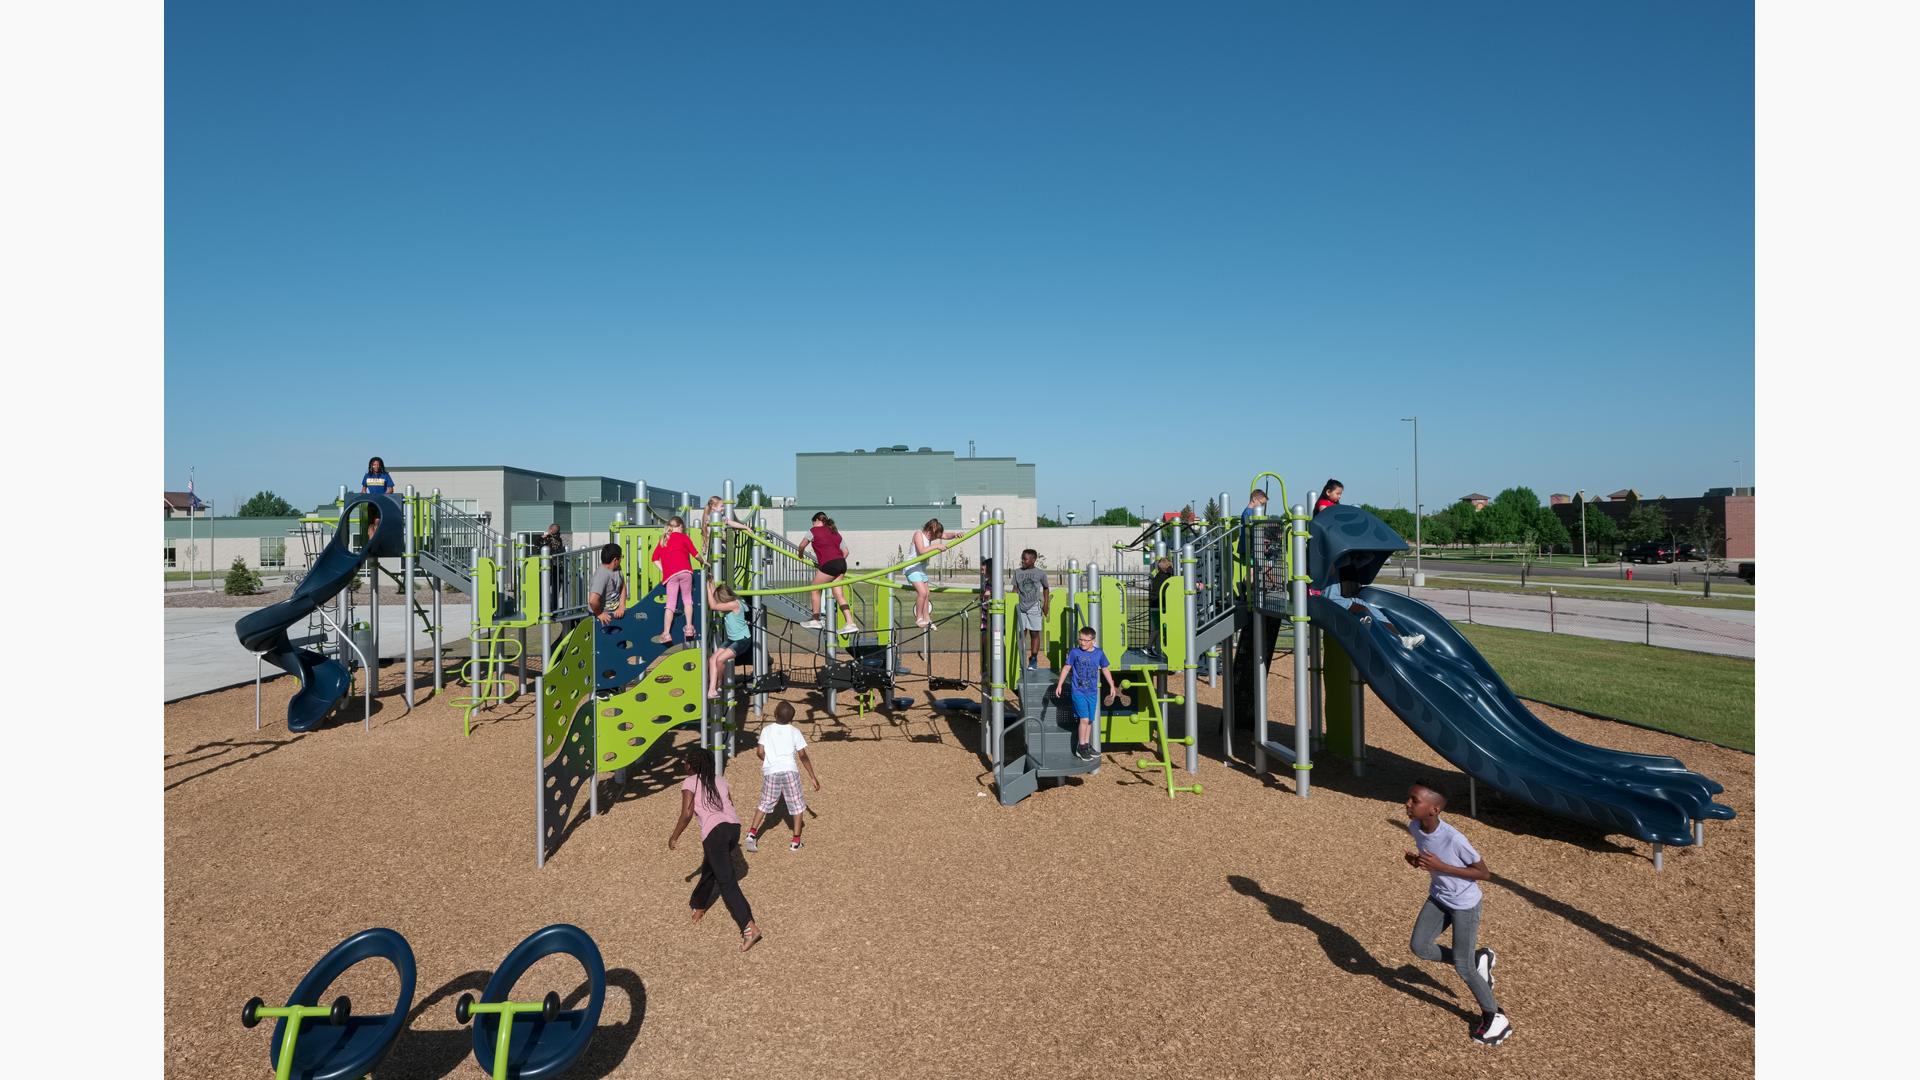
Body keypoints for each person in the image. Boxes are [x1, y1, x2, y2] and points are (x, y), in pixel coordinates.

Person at [1403, 783, 1508, 1045]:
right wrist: (1419, 862)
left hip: (1464, 905)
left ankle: (1495, 1017)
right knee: (1420, 947)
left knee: (1463, 967)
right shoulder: (1415, 827)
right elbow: (1432, 859)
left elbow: (1483, 873)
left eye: (1414, 801)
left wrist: (1442, 866)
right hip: (1439, 897)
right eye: (1409, 799)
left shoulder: (1454, 838)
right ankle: (1477, 958)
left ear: (1434, 809)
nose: (1407, 804)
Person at [668, 749, 763, 952]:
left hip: (715, 832)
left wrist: (674, 836)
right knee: (710, 867)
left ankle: (749, 927)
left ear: (690, 766)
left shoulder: (690, 781)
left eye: (685, 762)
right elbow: (730, 803)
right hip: (733, 827)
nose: (683, 765)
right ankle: (699, 905)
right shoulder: (720, 779)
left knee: (726, 882)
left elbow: (686, 813)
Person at [743, 701, 822, 853]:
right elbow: (803, 755)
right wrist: (812, 776)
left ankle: (752, 833)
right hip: (790, 770)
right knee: (797, 805)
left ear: (775, 714)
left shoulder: (766, 730)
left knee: (765, 802)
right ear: (792, 718)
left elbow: (759, 752)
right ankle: (795, 842)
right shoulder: (795, 732)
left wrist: (769, 760)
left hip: (771, 771)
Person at [1052, 626, 1119, 760]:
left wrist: (1112, 685)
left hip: (1092, 692)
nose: (1082, 643)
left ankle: (1087, 745)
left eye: (1086, 640)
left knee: (1090, 720)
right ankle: (1080, 747)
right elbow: (1066, 668)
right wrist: (1059, 685)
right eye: (1080, 639)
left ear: (1093, 641)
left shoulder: (1099, 653)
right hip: (1078, 692)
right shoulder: (1075, 653)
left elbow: (1105, 669)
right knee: (1083, 719)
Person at [1321, 566, 1425, 650]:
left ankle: (1401, 640)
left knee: (1377, 613)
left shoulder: (1346, 558)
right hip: (1332, 600)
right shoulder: (1329, 555)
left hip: (1347, 597)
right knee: (1363, 610)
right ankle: (1365, 629)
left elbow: (1365, 560)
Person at [795, 512, 857, 633]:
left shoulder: (813, 530)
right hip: (841, 564)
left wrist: (800, 555)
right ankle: (850, 623)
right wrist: (836, 562)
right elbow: (846, 552)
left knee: (814, 589)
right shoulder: (835, 532)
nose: (812, 524)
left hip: (830, 564)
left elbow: (801, 545)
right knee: (839, 595)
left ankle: (816, 619)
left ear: (817, 520)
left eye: (813, 522)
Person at [649, 516, 705, 645]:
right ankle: (689, 628)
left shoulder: (664, 539)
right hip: (685, 572)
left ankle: (667, 633)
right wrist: (704, 561)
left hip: (671, 575)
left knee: (670, 604)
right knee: (687, 599)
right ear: (680, 527)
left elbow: (654, 558)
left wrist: (664, 570)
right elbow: (695, 554)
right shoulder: (684, 537)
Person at [705, 581, 752, 699]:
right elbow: (715, 593)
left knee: (720, 660)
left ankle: (718, 683)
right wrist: (709, 580)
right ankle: (712, 690)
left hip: (742, 640)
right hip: (732, 639)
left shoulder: (734, 604)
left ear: (723, 598)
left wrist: (706, 588)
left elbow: (714, 606)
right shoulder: (729, 603)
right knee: (712, 659)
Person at [1009, 548, 1050, 668]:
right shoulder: (1017, 572)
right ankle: (1021, 658)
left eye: (1025, 559)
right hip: (1021, 606)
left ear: (1033, 560)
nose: (1023, 561)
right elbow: (1015, 589)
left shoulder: (1040, 573)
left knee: (1034, 633)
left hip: (1034, 606)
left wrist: (1046, 604)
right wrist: (1011, 602)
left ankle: (1033, 658)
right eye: (1022, 558)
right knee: (1022, 633)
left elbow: (1046, 588)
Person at [906, 519, 950, 629]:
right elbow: (922, 551)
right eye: (935, 537)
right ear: (930, 531)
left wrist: (956, 534)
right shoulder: (918, 534)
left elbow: (945, 535)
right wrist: (936, 546)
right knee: (922, 593)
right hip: (912, 568)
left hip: (921, 570)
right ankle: (919, 618)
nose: (936, 539)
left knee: (927, 593)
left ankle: (927, 618)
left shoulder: (931, 536)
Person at [587, 542, 627, 630]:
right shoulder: (602, 575)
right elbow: (593, 600)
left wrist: (622, 605)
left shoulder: (617, 568)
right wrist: (599, 614)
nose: (621, 560)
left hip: (615, 614)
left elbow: (623, 586)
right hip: (602, 617)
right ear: (615, 560)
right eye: (621, 557)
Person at [1146, 555, 1176, 659]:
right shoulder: (1166, 578)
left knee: (1158, 628)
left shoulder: (1158, 576)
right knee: (1159, 628)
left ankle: (1151, 647)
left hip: (1155, 605)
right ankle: (1149, 647)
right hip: (1159, 606)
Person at [532, 524, 567, 612]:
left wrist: (545, 535)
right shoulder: (559, 539)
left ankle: (543, 607)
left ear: (550, 530)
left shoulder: (548, 538)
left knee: (543, 587)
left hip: (548, 567)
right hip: (557, 568)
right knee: (555, 589)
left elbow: (535, 543)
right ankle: (554, 608)